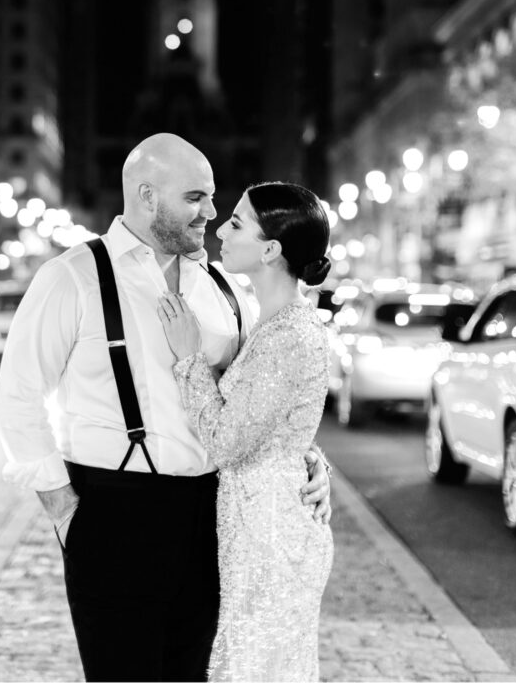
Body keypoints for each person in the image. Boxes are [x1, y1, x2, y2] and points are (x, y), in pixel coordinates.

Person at [0, 134, 331, 683]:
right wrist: (63, 509)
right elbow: (18, 396)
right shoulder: (74, 276)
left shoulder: (226, 286)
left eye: (215, 198)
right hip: (114, 514)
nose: (212, 213)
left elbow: (262, 398)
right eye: (196, 198)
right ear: (148, 197)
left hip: (214, 518)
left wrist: (308, 459)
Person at [158, 181, 334, 682]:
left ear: (271, 250)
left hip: (271, 535)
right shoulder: (268, 321)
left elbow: (227, 442)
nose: (220, 228)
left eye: (236, 223)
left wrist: (189, 358)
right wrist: (314, 457)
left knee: (256, 668)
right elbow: (281, 421)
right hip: (256, 522)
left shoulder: (292, 334)